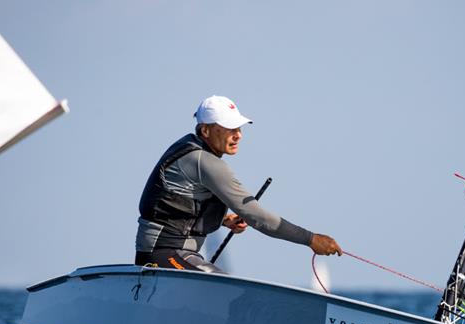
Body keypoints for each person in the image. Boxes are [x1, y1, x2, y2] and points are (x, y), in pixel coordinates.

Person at [134, 95, 342, 272]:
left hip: (167, 254)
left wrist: (224, 219)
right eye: (229, 128)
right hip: (163, 256)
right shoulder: (203, 161)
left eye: (239, 128)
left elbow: (178, 203)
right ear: (205, 131)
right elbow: (257, 217)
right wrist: (311, 239)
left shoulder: (191, 150)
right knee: (224, 291)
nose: (238, 135)